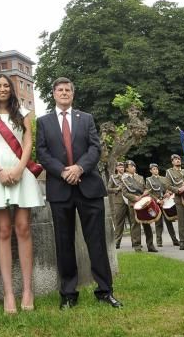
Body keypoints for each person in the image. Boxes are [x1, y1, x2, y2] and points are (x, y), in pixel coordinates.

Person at [36, 78, 122, 309]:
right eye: (60, 90)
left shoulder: (86, 119)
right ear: (53, 94)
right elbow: (42, 153)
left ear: (73, 94)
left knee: (96, 241)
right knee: (64, 244)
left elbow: (96, 148)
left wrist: (79, 168)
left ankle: (105, 291)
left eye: (68, 90)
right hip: (60, 188)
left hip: (88, 187)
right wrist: (63, 171)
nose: (64, 93)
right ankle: (68, 294)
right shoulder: (43, 122)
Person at [0, 73, 44, 314]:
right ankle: (8, 294)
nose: (3, 89)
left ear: (11, 90)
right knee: (3, 230)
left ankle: (27, 289)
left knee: (23, 227)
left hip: (20, 171)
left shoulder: (23, 114)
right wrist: (0, 171)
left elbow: (27, 143)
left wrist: (17, 168)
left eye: (6, 86)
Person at [122, 160, 155, 253]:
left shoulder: (140, 177)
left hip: (144, 202)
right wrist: (134, 197)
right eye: (131, 166)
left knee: (147, 223)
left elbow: (145, 188)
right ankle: (137, 246)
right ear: (127, 168)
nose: (134, 167)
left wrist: (146, 192)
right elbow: (125, 193)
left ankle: (150, 245)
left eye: (134, 166)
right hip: (133, 204)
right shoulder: (124, 179)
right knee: (135, 224)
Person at [145, 163, 180, 247]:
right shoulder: (149, 180)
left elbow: (169, 187)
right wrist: (157, 200)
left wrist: (168, 193)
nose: (155, 170)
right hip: (157, 203)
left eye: (156, 169)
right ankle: (159, 241)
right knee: (158, 223)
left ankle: (175, 240)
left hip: (165, 202)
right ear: (150, 171)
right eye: (153, 169)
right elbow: (149, 193)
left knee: (169, 222)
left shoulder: (164, 179)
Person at [106, 161, 129, 249]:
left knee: (133, 221)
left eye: (122, 167)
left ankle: (135, 243)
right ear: (116, 168)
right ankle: (117, 242)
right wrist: (116, 189)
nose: (121, 168)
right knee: (119, 223)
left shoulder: (127, 176)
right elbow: (108, 189)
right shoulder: (113, 177)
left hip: (129, 200)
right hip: (119, 202)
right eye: (119, 167)